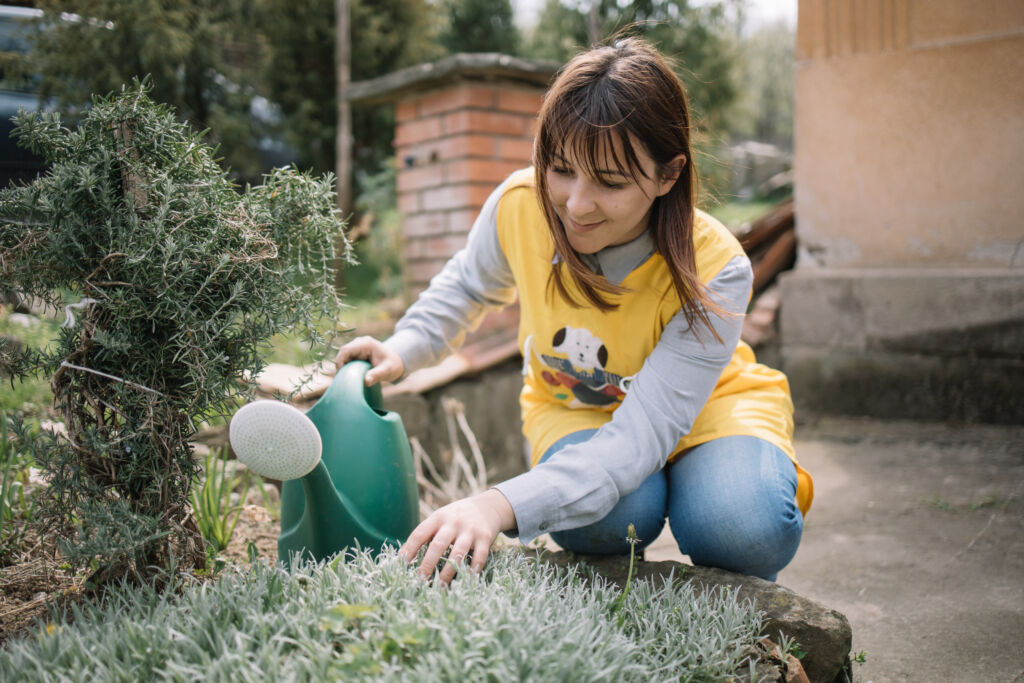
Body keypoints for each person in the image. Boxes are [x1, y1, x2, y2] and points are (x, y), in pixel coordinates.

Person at [336, 37, 813, 585]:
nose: (576, 205)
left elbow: (642, 435)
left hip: (706, 409)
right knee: (607, 521)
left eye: (610, 181)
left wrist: (496, 505)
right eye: (560, 168)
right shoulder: (521, 205)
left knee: (740, 524)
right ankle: (653, 490)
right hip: (580, 404)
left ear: (668, 174)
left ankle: (709, 485)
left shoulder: (717, 266)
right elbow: (468, 285)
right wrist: (402, 348)